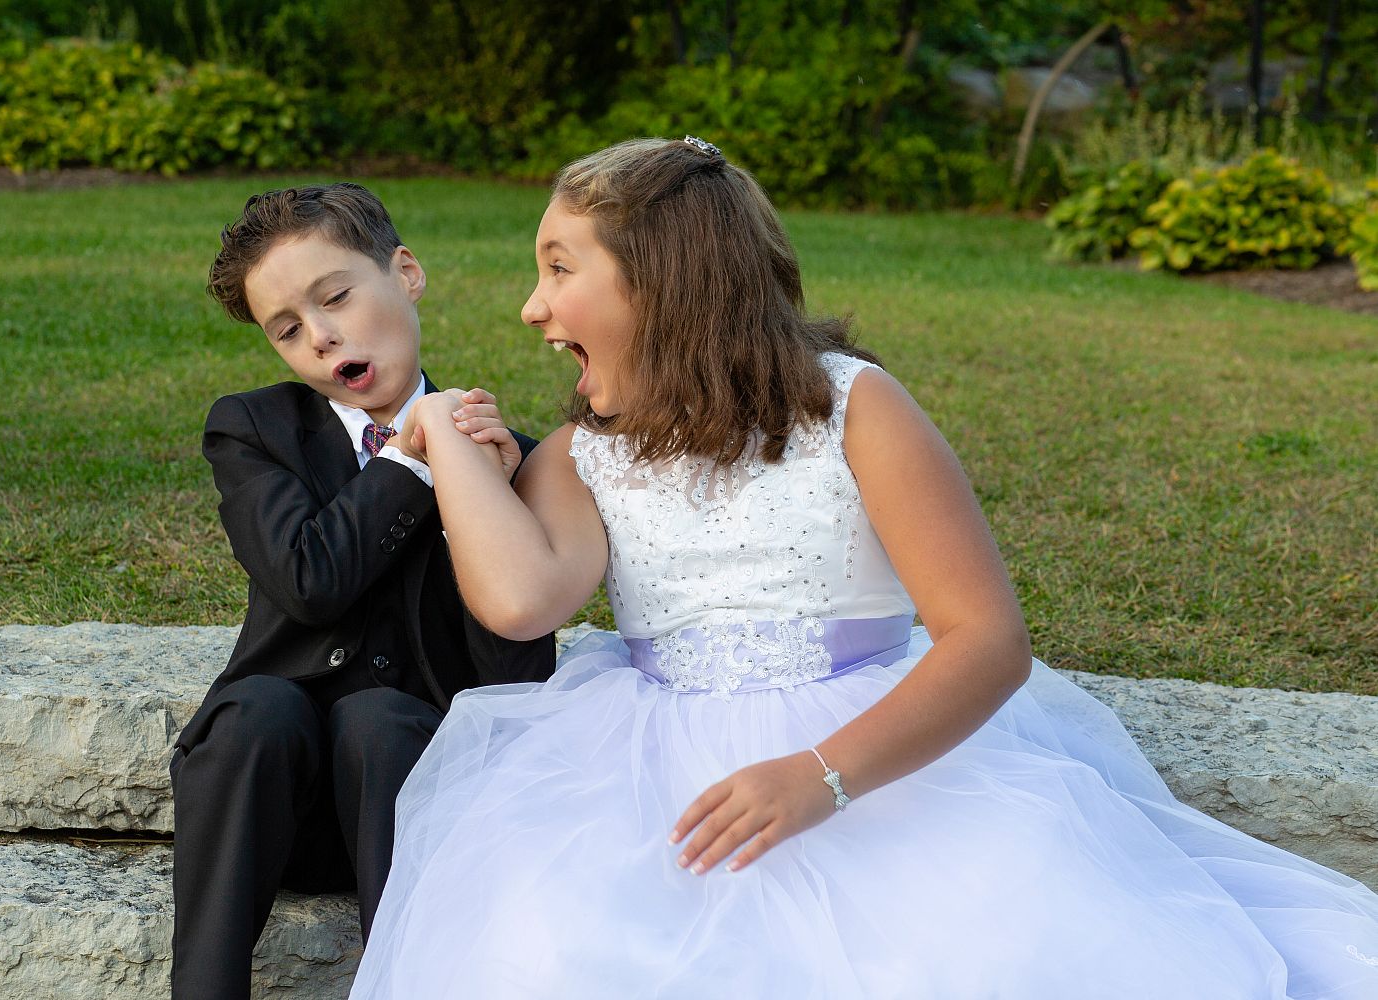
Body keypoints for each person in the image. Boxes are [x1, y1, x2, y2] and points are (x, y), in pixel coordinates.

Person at [347, 139, 1378, 998]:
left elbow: (986, 639)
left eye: (561, 267)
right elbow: (522, 600)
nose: (533, 306)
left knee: (973, 951)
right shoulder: (582, 454)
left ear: (664, 278)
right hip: (647, 776)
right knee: (562, 947)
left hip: (880, 759)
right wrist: (442, 435)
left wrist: (821, 777)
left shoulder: (855, 409)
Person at [170, 182, 555, 1000]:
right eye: (287, 329)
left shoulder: (510, 458)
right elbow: (309, 580)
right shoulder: (253, 429)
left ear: (406, 273)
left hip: (416, 797)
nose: (320, 335)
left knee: (378, 718)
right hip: (273, 806)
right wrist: (414, 462)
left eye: (335, 296)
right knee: (258, 711)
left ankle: (405, 982)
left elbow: (517, 676)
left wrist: (475, 505)